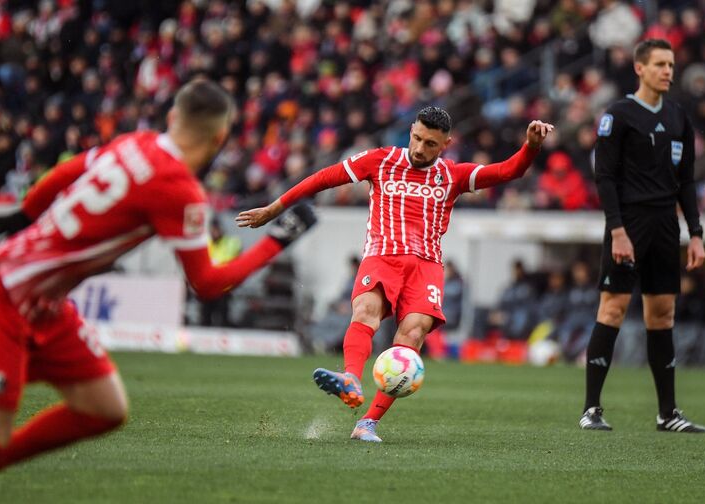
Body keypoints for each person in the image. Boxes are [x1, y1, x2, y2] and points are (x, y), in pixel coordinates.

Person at [0, 79, 316, 470]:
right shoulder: (177, 188)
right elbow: (207, 284)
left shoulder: (134, 141)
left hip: (43, 302)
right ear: (219, 138)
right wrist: (277, 240)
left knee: (104, 407)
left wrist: (25, 213)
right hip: (9, 297)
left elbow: (72, 169)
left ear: (172, 116)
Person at [237, 107, 553, 442]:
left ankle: (367, 423)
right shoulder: (380, 160)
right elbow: (323, 178)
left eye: (430, 143)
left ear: (446, 144)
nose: (419, 148)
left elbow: (509, 171)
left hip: (426, 266)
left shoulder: (453, 175)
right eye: (416, 138)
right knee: (366, 312)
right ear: (411, 131)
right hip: (382, 256)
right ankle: (350, 379)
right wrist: (275, 207)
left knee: (412, 335)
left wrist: (530, 146)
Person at [581, 39, 705, 433]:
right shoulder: (618, 115)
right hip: (628, 223)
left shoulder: (678, 117)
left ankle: (667, 413)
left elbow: (686, 181)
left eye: (671, 64)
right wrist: (617, 231)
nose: (668, 71)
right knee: (613, 310)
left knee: (662, 315)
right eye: (660, 64)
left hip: (665, 227)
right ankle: (591, 410)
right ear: (640, 68)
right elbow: (604, 177)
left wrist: (697, 233)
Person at [200, 218, 243, 326]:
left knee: (223, 317)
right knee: (205, 317)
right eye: (212, 230)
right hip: (208, 287)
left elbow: (234, 262)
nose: (214, 232)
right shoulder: (206, 243)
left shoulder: (231, 243)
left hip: (224, 288)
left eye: (216, 230)